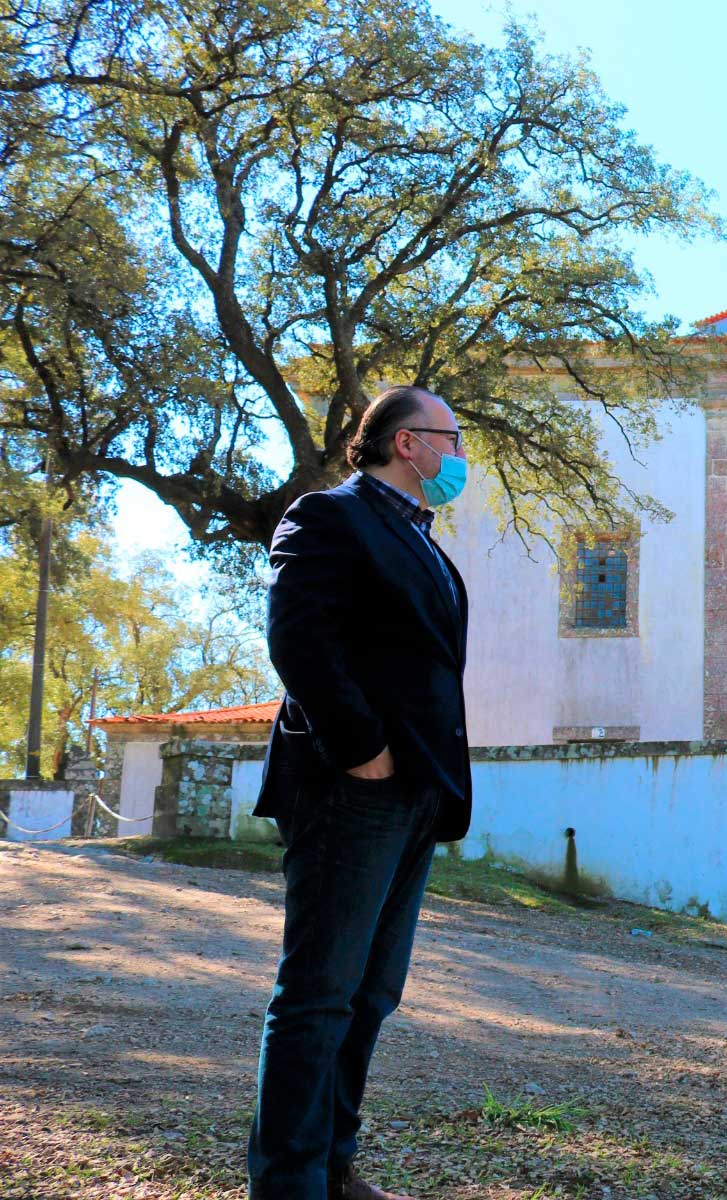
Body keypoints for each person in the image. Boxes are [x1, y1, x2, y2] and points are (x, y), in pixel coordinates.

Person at [248, 386, 473, 1200]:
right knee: (319, 993)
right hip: (352, 786)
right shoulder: (327, 517)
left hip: (416, 792)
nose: (461, 456)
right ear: (408, 443)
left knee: (373, 992)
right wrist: (362, 750)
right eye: (452, 438)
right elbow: (298, 637)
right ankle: (288, 1184)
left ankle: (332, 1166)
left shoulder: (421, 538)